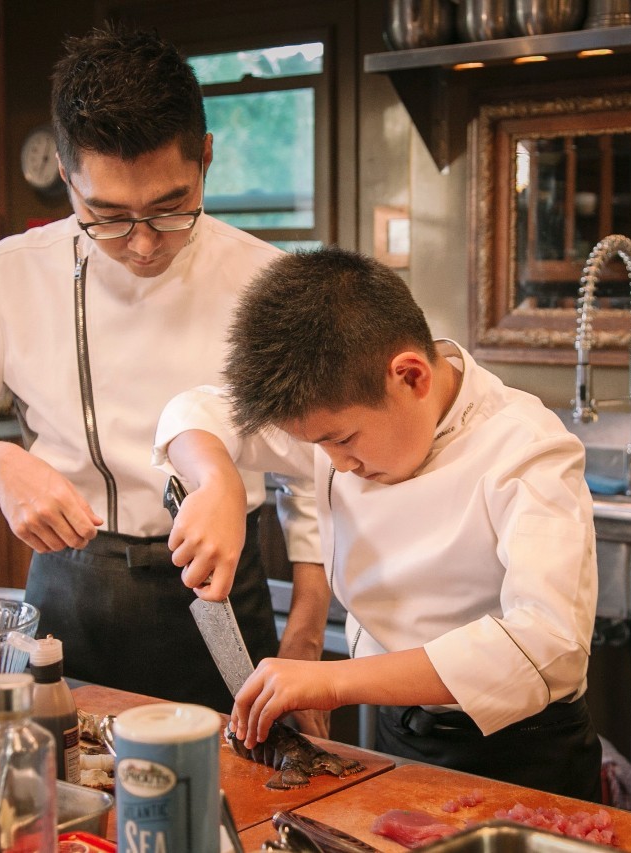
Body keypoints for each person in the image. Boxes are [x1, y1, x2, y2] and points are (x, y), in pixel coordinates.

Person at [0, 26, 328, 720]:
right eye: (106, 216)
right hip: (70, 593)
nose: (142, 244)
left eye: (170, 209)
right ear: (66, 173)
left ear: (205, 157)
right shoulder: (7, 276)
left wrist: (306, 637)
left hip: (224, 590)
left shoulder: (270, 281)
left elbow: (318, 471)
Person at [154, 247, 602, 800]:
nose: (337, 464)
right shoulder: (335, 409)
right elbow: (193, 410)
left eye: (343, 440)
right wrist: (217, 482)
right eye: (321, 446)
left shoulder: (527, 450)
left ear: (410, 376)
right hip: (399, 734)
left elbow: (548, 645)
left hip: (524, 752)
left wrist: (331, 683)